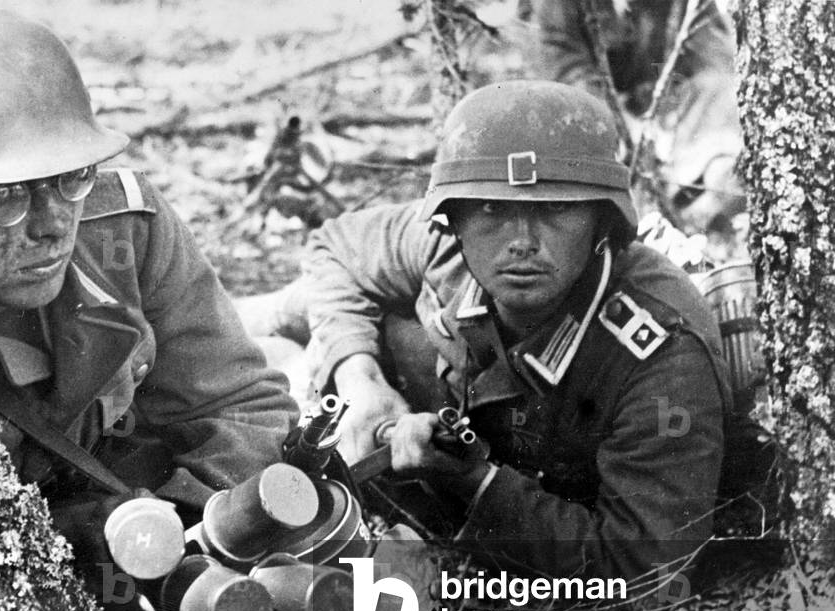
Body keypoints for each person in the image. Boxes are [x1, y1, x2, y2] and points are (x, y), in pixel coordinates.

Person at [0, 8, 483, 611]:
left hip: (167, 551)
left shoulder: (122, 231)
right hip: (20, 589)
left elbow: (238, 403)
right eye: (5, 196)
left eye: (69, 176)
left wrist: (194, 522)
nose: (53, 222)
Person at [303, 80, 732, 585]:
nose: (521, 242)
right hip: (415, 383)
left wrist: (474, 481)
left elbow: (642, 570)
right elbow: (333, 249)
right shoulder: (445, 246)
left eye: (554, 209)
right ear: (454, 217)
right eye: (491, 209)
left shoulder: (661, 353)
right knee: (288, 328)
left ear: (603, 220)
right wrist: (361, 382)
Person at [526, 0, 746, 254]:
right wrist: (618, 122)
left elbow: (713, 59)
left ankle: (700, 216)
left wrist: (666, 115)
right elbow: (563, 69)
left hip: (673, 118)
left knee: (723, 97)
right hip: (601, 119)